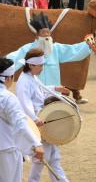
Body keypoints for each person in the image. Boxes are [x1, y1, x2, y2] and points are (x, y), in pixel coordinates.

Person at [6, 12, 94, 104]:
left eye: (48, 32)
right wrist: (3, 65)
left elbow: (72, 50)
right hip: (34, 94)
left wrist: (87, 45)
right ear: (37, 35)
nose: (47, 35)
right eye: (44, 32)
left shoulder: (56, 48)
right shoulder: (28, 49)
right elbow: (14, 57)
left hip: (54, 93)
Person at [16, 48, 70, 182]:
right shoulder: (24, 81)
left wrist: (55, 89)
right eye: (40, 66)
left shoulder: (32, 77)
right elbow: (25, 103)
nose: (42, 68)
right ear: (31, 65)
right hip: (38, 123)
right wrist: (35, 119)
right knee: (42, 159)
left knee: (52, 157)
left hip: (43, 120)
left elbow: (40, 91)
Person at [0, 58, 44, 182]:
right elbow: (20, 123)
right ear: (8, 78)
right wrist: (36, 144)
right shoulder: (8, 98)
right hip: (6, 149)